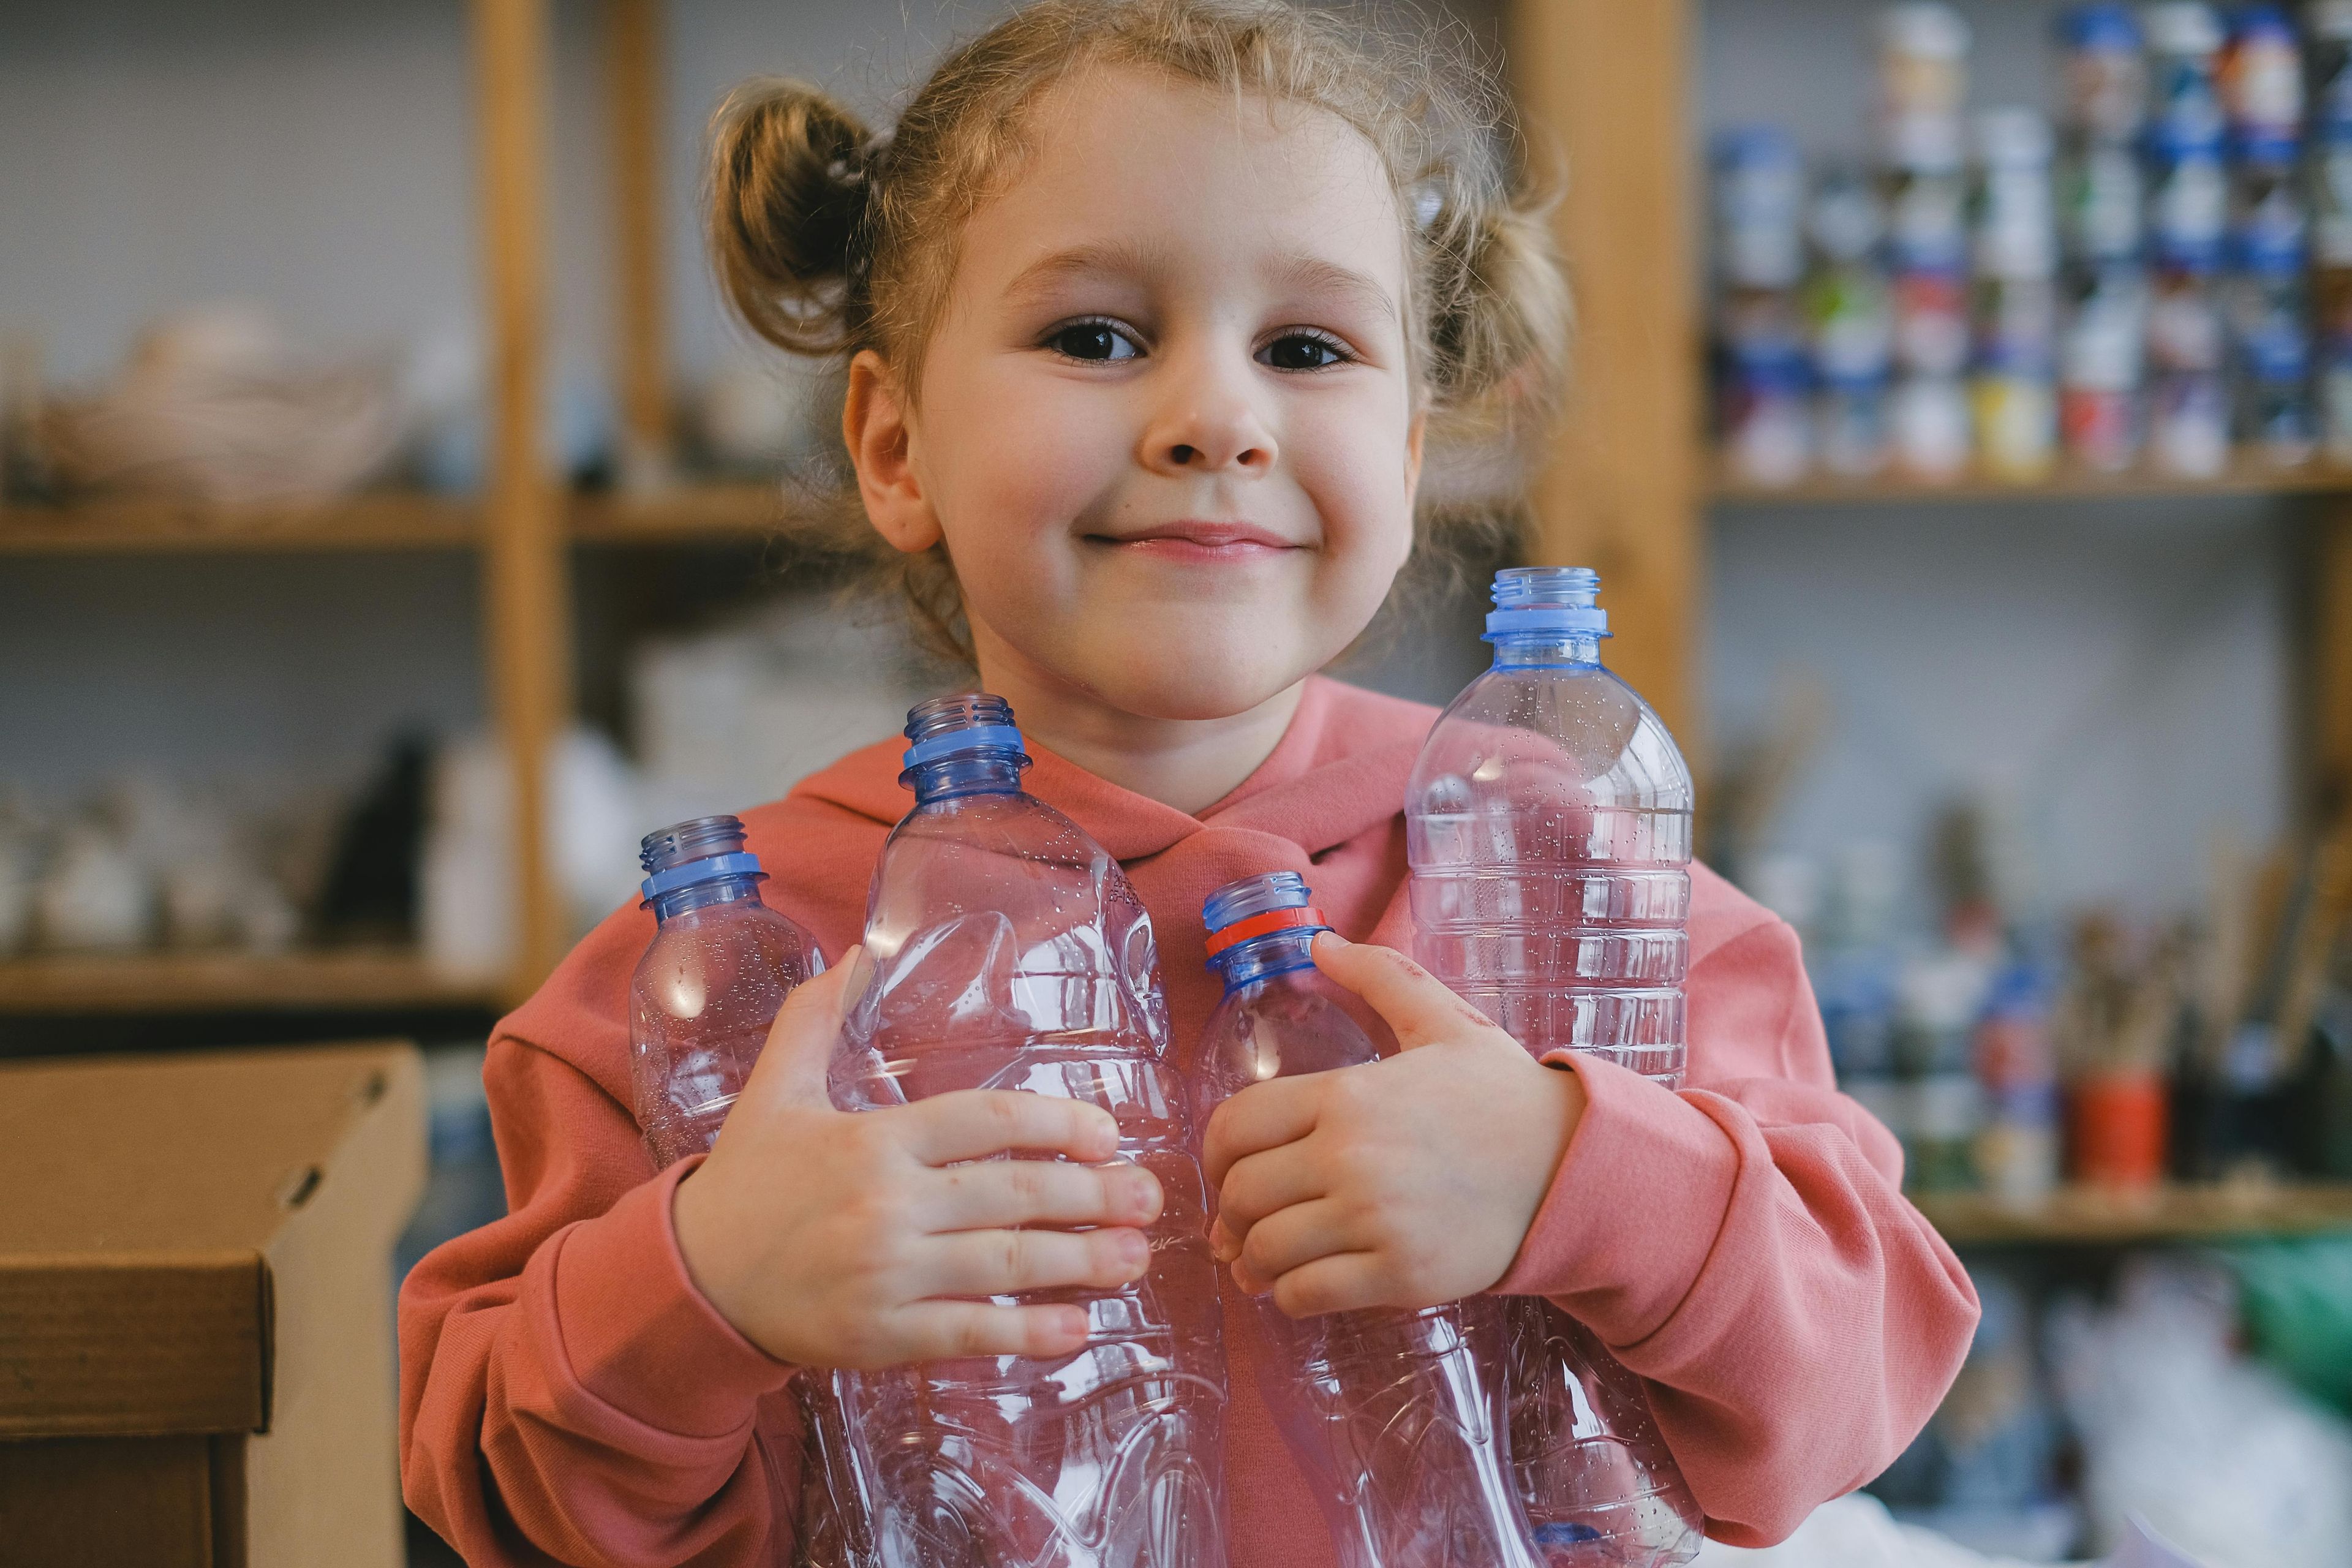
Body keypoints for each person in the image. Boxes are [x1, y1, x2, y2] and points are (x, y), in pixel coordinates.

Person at [398, 2, 1980, 1563]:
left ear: (1412, 453)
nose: (1218, 418)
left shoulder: (1568, 863)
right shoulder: (723, 962)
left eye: (1307, 347)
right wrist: (707, 1283)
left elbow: (1866, 1374)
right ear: (894, 445)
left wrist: (1580, 1174)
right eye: (1095, 336)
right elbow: (499, 1486)